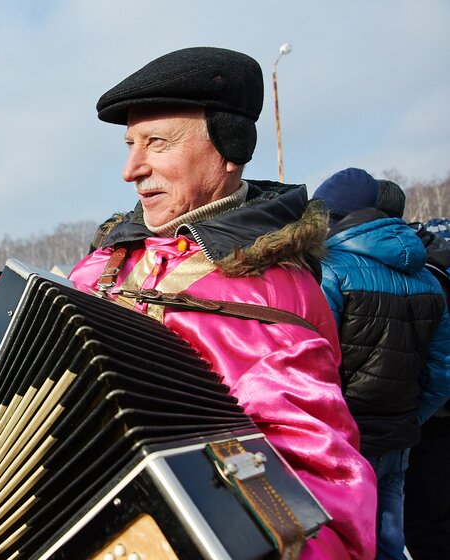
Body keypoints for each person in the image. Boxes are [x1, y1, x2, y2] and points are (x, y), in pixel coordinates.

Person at [67, 47, 377, 558]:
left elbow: (326, 507)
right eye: (129, 145)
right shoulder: (104, 263)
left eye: (156, 143)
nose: (130, 169)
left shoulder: (273, 296)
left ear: (229, 150)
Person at [324, 175, 450, 560]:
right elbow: (443, 372)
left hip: (346, 441)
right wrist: (410, 417)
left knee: (342, 543)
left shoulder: (330, 271)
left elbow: (315, 365)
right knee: (390, 542)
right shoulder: (428, 276)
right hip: (399, 438)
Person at [404, 215, 450, 560]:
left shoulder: (425, 277)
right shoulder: (432, 275)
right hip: (432, 412)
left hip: (426, 419)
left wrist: (418, 416)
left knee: (423, 517)